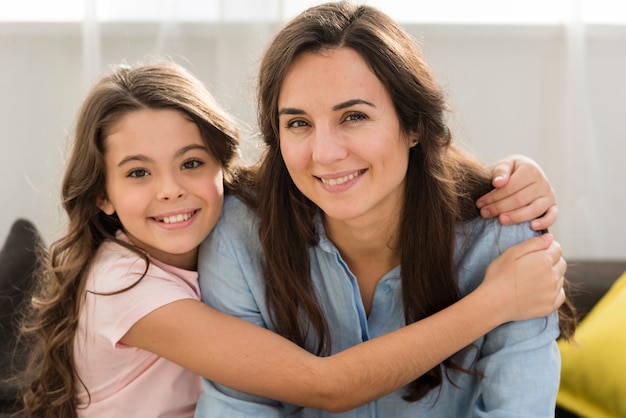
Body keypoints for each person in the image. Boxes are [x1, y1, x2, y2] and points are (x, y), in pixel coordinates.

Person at [17, 61, 562, 417]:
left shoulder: (226, 219)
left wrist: (515, 174)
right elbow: (326, 386)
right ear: (101, 195)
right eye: (137, 173)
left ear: (221, 167)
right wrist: (493, 302)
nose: (170, 191)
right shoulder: (129, 283)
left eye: (190, 163)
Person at [196, 2, 576, 417]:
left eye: (354, 116)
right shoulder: (237, 235)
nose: (324, 154)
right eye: (298, 123)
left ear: (413, 125)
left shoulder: (503, 237)